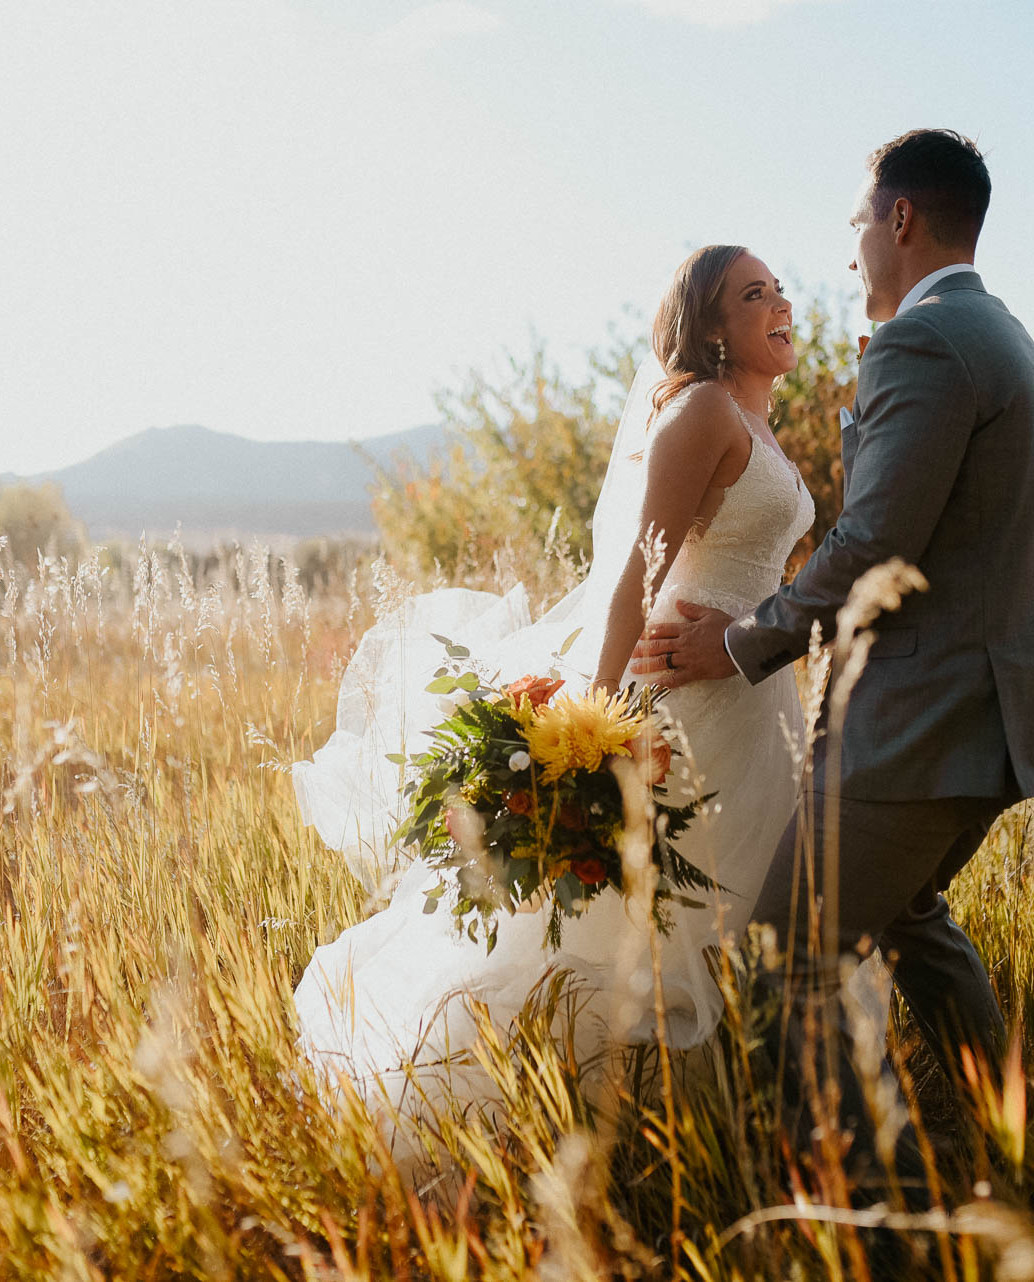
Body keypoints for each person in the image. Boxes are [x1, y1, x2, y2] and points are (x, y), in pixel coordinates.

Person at [630, 129, 1034, 1162]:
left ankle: (848, 1209)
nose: (847, 261)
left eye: (854, 227)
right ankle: (1016, 1146)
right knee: (914, 916)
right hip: (1006, 715)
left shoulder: (925, 343)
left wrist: (744, 641)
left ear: (899, 220)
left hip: (930, 719)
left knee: (794, 950)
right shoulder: (1017, 347)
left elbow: (877, 539)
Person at [290, 245, 820, 1140]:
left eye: (779, 289)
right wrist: (596, 715)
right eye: (752, 294)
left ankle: (720, 1117)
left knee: (734, 909)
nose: (780, 303)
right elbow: (631, 578)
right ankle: (563, 1107)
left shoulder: (763, 423)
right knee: (640, 923)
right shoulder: (700, 411)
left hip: (751, 695)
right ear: (711, 325)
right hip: (680, 700)